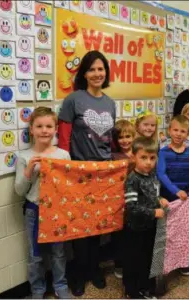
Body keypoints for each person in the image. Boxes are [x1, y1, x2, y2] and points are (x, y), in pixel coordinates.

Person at [58, 50, 115, 296]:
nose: (96, 73)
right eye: (91, 69)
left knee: (98, 226)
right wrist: (65, 168)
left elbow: (110, 142)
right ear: (84, 73)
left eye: (100, 69)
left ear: (106, 72)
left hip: (103, 174)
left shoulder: (111, 103)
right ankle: (79, 273)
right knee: (79, 226)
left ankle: (95, 269)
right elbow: (63, 139)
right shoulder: (73, 100)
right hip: (79, 172)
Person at [15, 107, 72, 299]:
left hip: (57, 210)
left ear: (56, 129)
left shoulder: (63, 155)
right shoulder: (24, 157)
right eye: (39, 126)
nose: (44, 130)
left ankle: (60, 285)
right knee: (35, 255)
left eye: (49, 126)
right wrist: (29, 171)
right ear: (31, 129)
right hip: (34, 210)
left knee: (58, 252)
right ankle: (37, 290)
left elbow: (69, 185)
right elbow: (19, 191)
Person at [123, 137, 168, 299]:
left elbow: (152, 195)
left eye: (152, 158)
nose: (148, 162)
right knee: (133, 260)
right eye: (143, 157)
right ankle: (131, 291)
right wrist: (153, 212)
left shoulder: (152, 175)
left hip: (149, 227)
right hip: (134, 228)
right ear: (134, 157)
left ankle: (144, 286)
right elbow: (132, 207)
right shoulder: (132, 180)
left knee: (146, 258)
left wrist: (159, 200)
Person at [156, 115, 189, 276]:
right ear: (169, 131)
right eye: (175, 130)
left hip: (186, 200)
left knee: (184, 231)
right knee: (169, 232)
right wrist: (176, 190)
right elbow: (161, 174)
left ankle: (183, 261)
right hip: (169, 198)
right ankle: (166, 260)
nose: (178, 134)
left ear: (187, 134)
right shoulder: (163, 152)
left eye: (183, 131)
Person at [110, 119, 136, 279]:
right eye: (120, 137)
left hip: (137, 199)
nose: (125, 140)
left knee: (133, 232)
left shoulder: (140, 152)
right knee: (119, 234)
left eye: (128, 136)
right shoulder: (113, 156)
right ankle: (119, 264)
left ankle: (132, 261)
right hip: (118, 200)